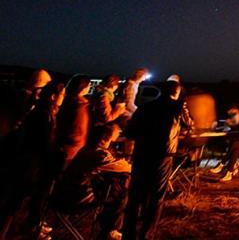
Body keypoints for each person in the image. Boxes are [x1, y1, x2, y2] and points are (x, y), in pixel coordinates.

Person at [0, 81, 65, 239]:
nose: (63, 98)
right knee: (12, 204)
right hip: (27, 165)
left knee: (13, 204)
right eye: (62, 94)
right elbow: (41, 142)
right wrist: (55, 155)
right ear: (53, 96)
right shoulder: (43, 114)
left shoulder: (45, 112)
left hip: (29, 164)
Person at [123, 79, 184, 240]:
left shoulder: (145, 107)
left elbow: (130, 133)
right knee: (157, 196)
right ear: (176, 93)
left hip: (142, 154)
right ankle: (147, 234)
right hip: (163, 156)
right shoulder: (177, 108)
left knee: (135, 195)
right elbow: (189, 124)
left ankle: (128, 234)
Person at [56, 124, 128, 240]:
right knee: (120, 195)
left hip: (61, 194)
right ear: (103, 140)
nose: (111, 143)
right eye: (110, 140)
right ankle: (110, 230)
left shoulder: (85, 149)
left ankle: (108, 226)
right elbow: (123, 167)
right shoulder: (99, 154)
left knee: (112, 188)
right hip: (75, 199)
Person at [57, 74, 93, 168]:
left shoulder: (66, 100)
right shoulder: (80, 105)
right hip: (72, 148)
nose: (90, 87)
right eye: (89, 85)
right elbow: (78, 129)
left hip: (62, 143)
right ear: (83, 87)